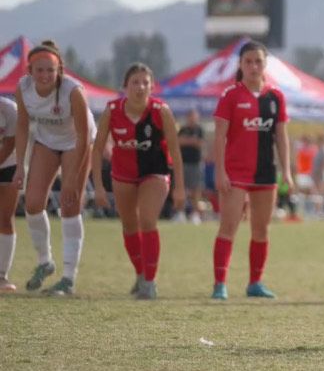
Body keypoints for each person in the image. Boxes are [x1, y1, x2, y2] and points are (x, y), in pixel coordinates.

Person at [90, 64, 185, 299]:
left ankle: (149, 283)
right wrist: (98, 187)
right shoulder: (112, 110)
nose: (140, 87)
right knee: (129, 226)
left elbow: (175, 150)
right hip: (122, 175)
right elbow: (97, 148)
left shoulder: (161, 111)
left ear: (152, 87)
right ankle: (141, 274)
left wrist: (180, 188)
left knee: (147, 220)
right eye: (135, 82)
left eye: (145, 82)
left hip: (155, 173)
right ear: (124, 87)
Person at [210, 40, 293, 300]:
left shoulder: (276, 96)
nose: (254, 66)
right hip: (235, 173)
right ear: (241, 65)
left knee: (261, 229)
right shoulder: (230, 95)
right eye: (248, 61)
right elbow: (219, 136)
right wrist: (220, 171)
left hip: (266, 173)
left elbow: (281, 137)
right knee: (228, 227)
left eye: (258, 61)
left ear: (265, 64)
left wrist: (286, 171)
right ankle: (220, 284)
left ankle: (255, 282)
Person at [14, 40, 96, 296]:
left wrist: (71, 179)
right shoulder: (23, 88)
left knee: (70, 204)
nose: (46, 75)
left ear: (59, 69)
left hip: (76, 143)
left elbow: (83, 137)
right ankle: (45, 262)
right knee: (33, 203)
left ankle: (68, 278)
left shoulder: (73, 91)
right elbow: (22, 127)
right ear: (30, 71)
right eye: (40, 70)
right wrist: (19, 167)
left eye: (51, 70)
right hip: (47, 141)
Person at [0, 97, 19, 293]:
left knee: (5, 219)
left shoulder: (9, 109)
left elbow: (9, 146)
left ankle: (2, 275)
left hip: (8, 165)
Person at [176, 109, 205, 223]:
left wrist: (187, 141)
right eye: (190, 116)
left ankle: (195, 214)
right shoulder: (183, 129)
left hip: (196, 163)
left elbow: (200, 143)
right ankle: (180, 213)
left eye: (194, 116)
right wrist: (191, 141)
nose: (192, 119)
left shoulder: (199, 129)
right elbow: (178, 142)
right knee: (181, 188)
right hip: (183, 163)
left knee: (196, 189)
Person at [294, 134, 318, 217]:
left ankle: (315, 211)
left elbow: (311, 154)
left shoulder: (311, 149)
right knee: (299, 192)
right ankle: (298, 211)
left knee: (312, 193)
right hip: (301, 173)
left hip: (308, 174)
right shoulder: (301, 148)